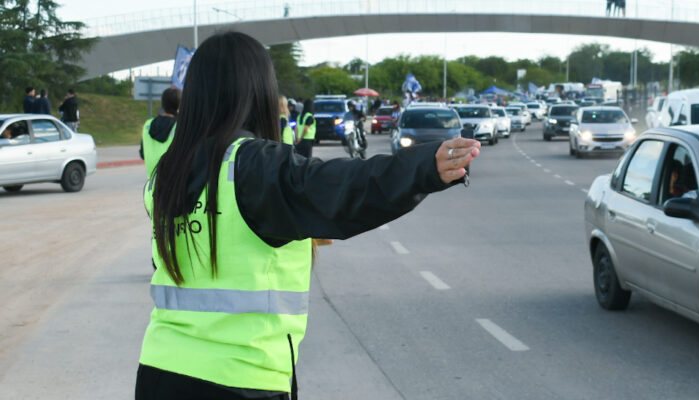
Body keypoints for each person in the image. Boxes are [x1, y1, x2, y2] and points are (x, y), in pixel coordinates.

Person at [135, 31, 480, 400]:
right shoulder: (252, 165)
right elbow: (341, 185)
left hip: (160, 371)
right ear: (258, 92)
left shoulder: (165, 175)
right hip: (239, 379)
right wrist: (424, 167)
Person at [139, 87, 181, 177]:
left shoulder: (148, 124)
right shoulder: (180, 126)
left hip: (152, 183)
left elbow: (142, 154)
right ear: (178, 105)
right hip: (174, 180)